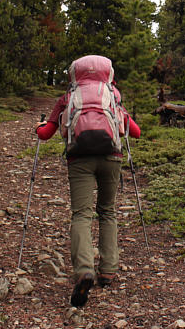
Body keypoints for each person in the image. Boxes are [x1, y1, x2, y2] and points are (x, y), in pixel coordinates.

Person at [35, 55, 140, 308]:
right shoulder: (112, 95)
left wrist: (38, 127)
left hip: (79, 159)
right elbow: (134, 131)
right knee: (107, 212)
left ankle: (84, 270)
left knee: (81, 214)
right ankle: (108, 270)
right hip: (110, 158)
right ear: (108, 73)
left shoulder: (68, 96)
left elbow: (46, 133)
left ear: (75, 73)